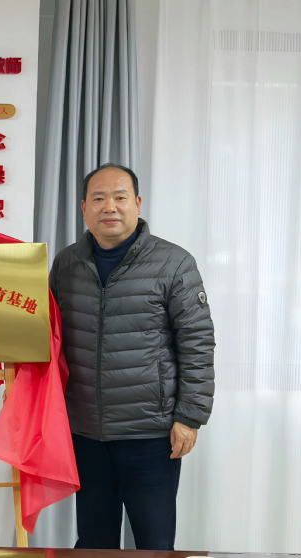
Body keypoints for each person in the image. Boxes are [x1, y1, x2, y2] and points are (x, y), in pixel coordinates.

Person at [48, 163, 215, 550]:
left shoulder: (174, 263)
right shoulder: (67, 264)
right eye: (99, 198)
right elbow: (49, 337)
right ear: (84, 208)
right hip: (85, 431)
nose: (110, 206)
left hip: (151, 433)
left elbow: (197, 342)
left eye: (120, 197)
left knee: (154, 542)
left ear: (137, 204)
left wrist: (189, 417)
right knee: (94, 541)